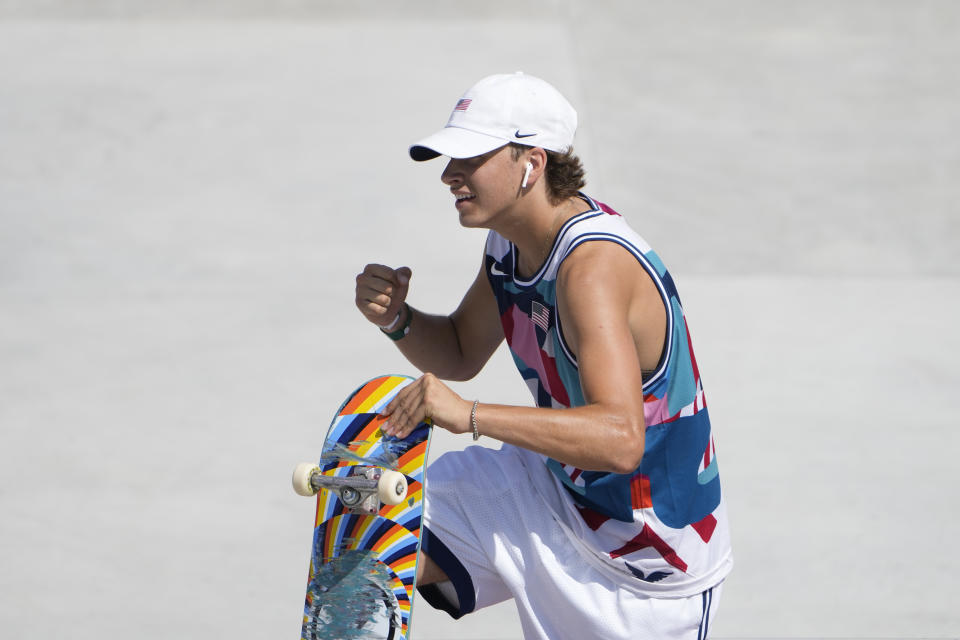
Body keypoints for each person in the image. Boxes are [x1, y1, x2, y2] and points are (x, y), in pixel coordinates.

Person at [354, 72, 732, 639]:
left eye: (470, 157)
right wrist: (398, 320)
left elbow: (621, 439)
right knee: (379, 531)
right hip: (556, 490)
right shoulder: (509, 245)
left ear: (531, 162)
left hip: (643, 569)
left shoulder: (592, 270)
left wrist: (470, 415)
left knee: (392, 524)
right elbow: (459, 350)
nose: (448, 174)